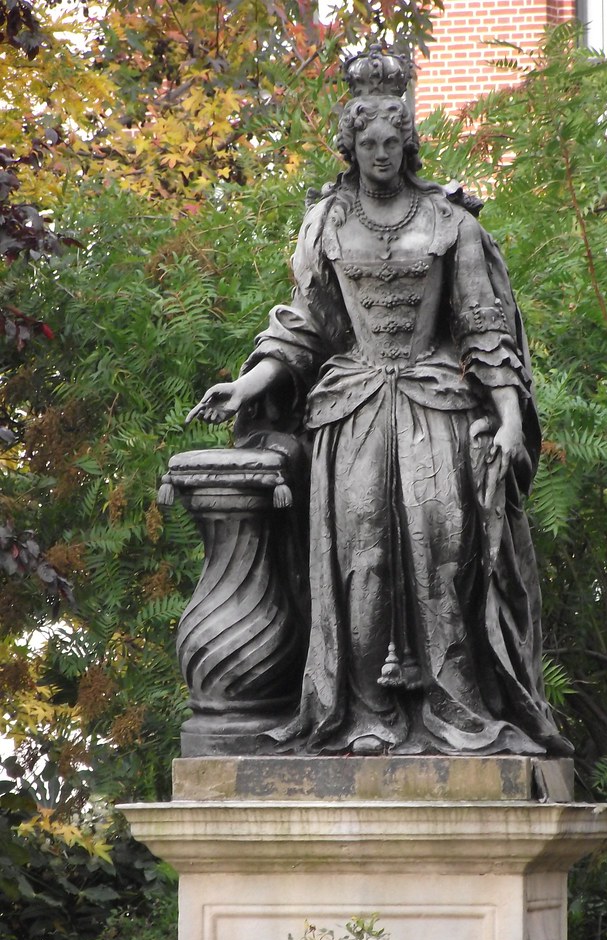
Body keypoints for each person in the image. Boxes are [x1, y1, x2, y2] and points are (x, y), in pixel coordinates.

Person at [187, 49, 572, 756]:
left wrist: (511, 419)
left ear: (409, 141)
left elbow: (485, 330)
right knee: (360, 559)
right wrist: (249, 383)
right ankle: (363, 713)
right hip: (353, 413)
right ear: (350, 145)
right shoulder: (327, 223)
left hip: (437, 409)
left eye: (394, 141)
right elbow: (305, 324)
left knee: (444, 554)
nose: (382, 154)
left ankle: (453, 708)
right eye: (368, 143)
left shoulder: (452, 224)